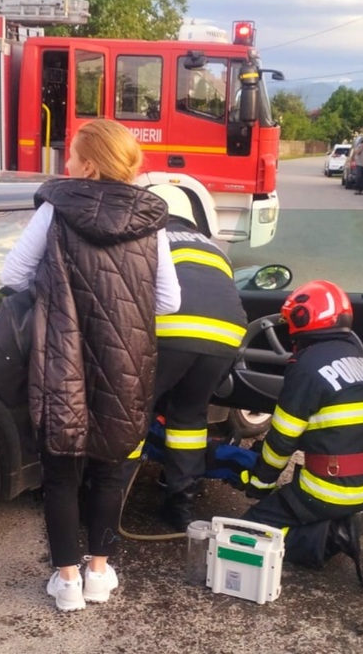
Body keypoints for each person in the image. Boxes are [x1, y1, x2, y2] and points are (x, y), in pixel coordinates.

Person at [1, 120, 181, 613]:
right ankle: (98, 574)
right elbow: (168, 300)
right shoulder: (152, 220)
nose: (66, 164)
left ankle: (65, 583)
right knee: (108, 472)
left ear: (92, 165)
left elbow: (12, 275)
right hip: (126, 363)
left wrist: (58, 294)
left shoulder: (55, 210)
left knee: (60, 473)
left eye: (72, 156)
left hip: (62, 358)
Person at [240, 279, 363, 587]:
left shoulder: (306, 367)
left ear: (302, 319)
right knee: (298, 506)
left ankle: (334, 535)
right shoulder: (358, 358)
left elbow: (282, 441)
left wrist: (260, 483)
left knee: (248, 532)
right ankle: (341, 520)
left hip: (336, 488)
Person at [147, 184, 249, 531]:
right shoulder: (215, 249)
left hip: (172, 330)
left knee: (131, 411)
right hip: (226, 338)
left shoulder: (151, 239)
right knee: (188, 418)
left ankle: (104, 494)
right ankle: (181, 506)